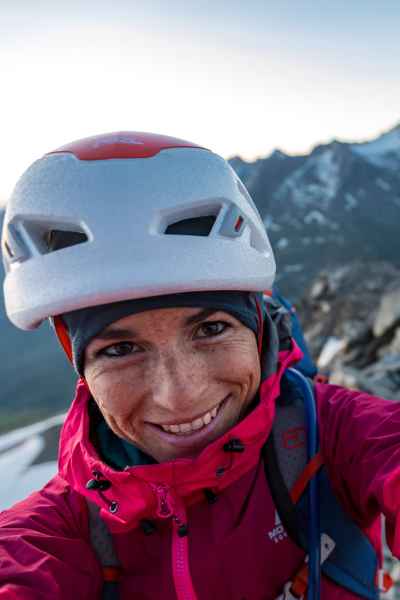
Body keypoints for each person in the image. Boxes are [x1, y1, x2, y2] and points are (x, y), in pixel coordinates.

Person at [0, 131, 399, 600]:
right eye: (120, 350)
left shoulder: (335, 434)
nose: (179, 395)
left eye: (210, 329)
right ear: (78, 360)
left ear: (257, 325)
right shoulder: (50, 533)